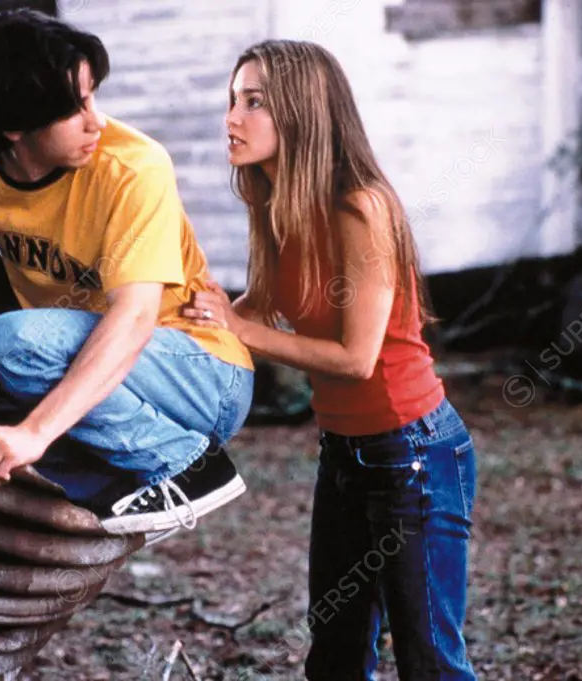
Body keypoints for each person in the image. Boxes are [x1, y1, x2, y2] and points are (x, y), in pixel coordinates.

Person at [0, 9, 255, 536]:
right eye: (74, 109)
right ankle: (103, 489)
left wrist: (33, 432)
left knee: (14, 340)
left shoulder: (133, 169)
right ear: (13, 129)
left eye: (92, 97)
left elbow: (134, 321)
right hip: (82, 368)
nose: (97, 121)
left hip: (198, 372)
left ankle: (186, 466)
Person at [181, 40, 477, 679]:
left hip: (414, 453)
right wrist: (178, 326)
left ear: (302, 111)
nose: (232, 117)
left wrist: (236, 327)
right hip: (343, 451)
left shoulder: (361, 207)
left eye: (253, 103)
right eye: (232, 100)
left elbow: (356, 358)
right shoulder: (273, 197)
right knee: (337, 657)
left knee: (429, 665)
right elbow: (257, 305)